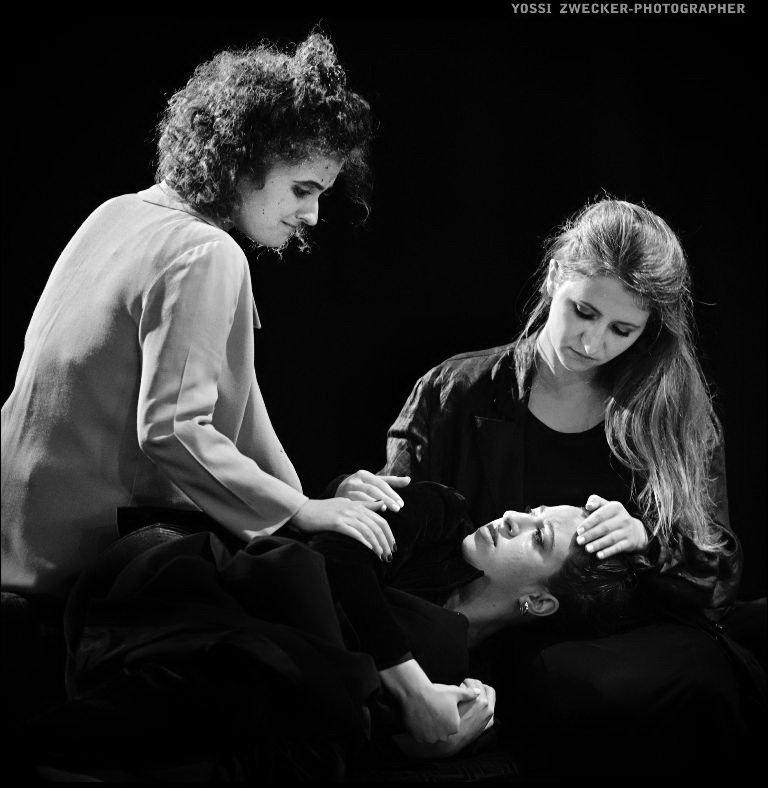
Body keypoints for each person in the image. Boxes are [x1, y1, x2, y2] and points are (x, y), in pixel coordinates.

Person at [1, 32, 401, 602]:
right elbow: (173, 430)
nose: (312, 215)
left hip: (13, 535)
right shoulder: (206, 252)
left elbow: (238, 400)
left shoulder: (115, 212)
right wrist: (299, 511)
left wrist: (305, 504)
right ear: (244, 159)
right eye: (302, 189)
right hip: (80, 560)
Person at [340, 198, 741, 618]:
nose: (593, 343)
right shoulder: (455, 390)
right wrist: (354, 502)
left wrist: (648, 541)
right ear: (553, 277)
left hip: (616, 647)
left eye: (622, 330)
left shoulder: (672, 416)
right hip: (465, 634)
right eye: (583, 312)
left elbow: (718, 578)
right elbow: (392, 533)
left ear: (647, 331)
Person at [302, 480, 635, 759]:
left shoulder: (476, 689)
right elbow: (335, 551)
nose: (511, 518)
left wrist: (420, 749)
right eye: (533, 512)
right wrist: (411, 687)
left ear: (538, 602)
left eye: (538, 538)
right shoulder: (441, 510)